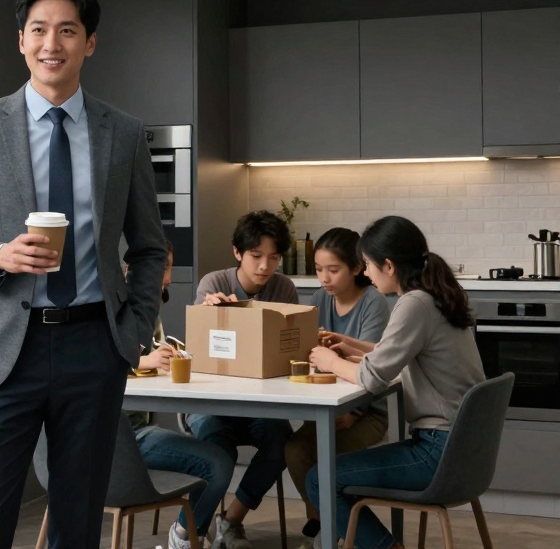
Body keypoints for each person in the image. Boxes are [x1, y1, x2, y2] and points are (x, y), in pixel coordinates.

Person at [0, 0, 166, 549]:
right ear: (21, 40)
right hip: (5, 349)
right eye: (38, 30)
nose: (51, 43)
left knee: (78, 522)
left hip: (94, 349)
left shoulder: (125, 134)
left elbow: (150, 246)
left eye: (66, 30)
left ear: (90, 42)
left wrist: (128, 335)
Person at [307, 216, 485, 549]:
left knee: (321, 478)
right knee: (326, 475)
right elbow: (404, 357)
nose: (366, 273)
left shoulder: (413, 304)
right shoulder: (433, 296)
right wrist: (354, 347)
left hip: (436, 451)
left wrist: (329, 361)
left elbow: (373, 379)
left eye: (368, 265)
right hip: (465, 451)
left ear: (388, 266)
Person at [189, 210, 298, 549]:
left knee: (283, 445)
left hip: (261, 406)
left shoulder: (284, 288)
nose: (265, 266)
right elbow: (199, 352)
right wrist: (213, 314)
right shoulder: (214, 284)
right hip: (213, 404)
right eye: (256, 256)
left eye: (274, 257)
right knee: (215, 452)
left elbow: (289, 353)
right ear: (237, 253)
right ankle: (192, 532)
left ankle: (230, 521)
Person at [283, 228, 391, 547]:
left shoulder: (373, 303)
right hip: (328, 406)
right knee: (294, 449)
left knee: (315, 454)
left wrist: (355, 411)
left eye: (333, 270)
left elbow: (376, 369)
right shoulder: (321, 299)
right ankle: (327, 521)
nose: (324, 278)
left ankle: (338, 527)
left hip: (368, 413)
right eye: (318, 269)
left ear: (357, 267)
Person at [131, 240, 235, 549]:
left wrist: (160, 358)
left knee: (221, 454)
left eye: (169, 267)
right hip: (121, 437)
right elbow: (93, 362)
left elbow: (150, 360)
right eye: (163, 267)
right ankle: (185, 538)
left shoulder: (150, 307)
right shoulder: (114, 305)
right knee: (217, 462)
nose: (168, 278)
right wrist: (140, 361)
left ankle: (187, 535)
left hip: (136, 429)